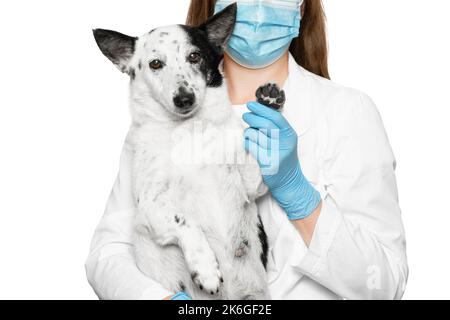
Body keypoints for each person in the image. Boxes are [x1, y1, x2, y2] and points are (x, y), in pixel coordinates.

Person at [86, 0, 408, 300]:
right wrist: (162, 299)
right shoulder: (152, 125)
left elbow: (384, 282)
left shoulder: (347, 112)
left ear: (301, 7)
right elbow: (108, 253)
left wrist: (299, 197)